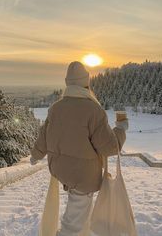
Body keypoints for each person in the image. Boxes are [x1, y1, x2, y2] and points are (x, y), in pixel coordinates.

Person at [30, 61, 128, 236]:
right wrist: (121, 129)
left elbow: (43, 136)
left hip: (60, 169)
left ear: (68, 83)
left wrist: (35, 155)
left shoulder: (55, 108)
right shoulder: (93, 110)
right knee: (74, 219)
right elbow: (110, 147)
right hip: (82, 174)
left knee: (80, 211)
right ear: (86, 83)